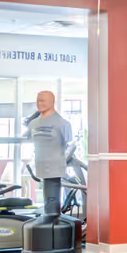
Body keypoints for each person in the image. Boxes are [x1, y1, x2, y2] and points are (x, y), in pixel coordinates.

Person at [25, 90, 73, 218]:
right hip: (40, 165)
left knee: (52, 203)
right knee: (48, 202)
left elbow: (69, 144)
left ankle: (52, 220)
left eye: (43, 101)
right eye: (37, 101)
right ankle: (49, 219)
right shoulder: (32, 124)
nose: (39, 104)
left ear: (52, 102)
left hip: (56, 167)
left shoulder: (63, 124)